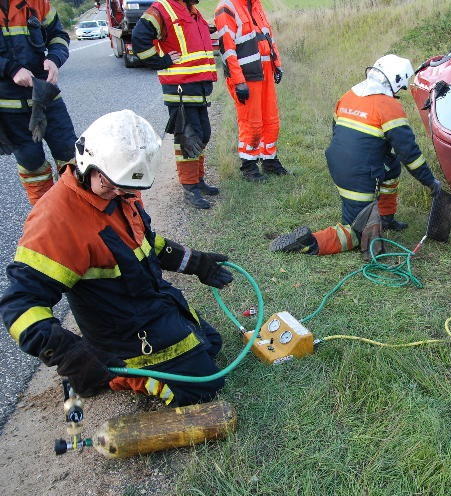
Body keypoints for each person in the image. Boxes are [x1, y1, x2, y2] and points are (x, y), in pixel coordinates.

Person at [0, 110, 233, 406]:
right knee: (205, 386)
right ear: (88, 162)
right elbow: (19, 307)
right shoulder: (56, 220)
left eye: (126, 188)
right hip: (119, 332)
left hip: (151, 303)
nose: (119, 193)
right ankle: (112, 372)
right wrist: (71, 356)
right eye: (110, 185)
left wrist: (196, 262)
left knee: (212, 345)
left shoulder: (120, 189)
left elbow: (145, 244)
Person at [269, 54, 441, 257]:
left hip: (338, 163)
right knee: (359, 232)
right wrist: (431, 182)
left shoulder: (349, 95)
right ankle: (308, 242)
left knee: (392, 165)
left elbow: (337, 130)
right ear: (396, 82)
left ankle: (385, 218)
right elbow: (410, 154)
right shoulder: (389, 106)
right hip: (357, 175)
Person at [132, 0, 219, 209]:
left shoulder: (191, 10)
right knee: (188, 137)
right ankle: (190, 188)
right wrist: (162, 61)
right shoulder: (162, 8)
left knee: (203, 134)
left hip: (198, 86)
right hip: (180, 87)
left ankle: (198, 180)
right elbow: (138, 39)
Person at [0, 0, 76, 205]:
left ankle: (80, 213)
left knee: (71, 158)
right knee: (32, 167)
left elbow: (58, 35)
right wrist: (10, 69)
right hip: (9, 107)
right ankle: (47, 217)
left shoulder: (37, 2)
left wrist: (54, 58)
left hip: (47, 97)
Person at [214, 0, 288, 181]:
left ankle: (269, 161)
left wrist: (276, 64)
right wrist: (239, 82)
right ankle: (249, 166)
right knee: (251, 122)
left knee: (271, 120)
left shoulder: (255, 5)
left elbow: (268, 36)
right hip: (246, 77)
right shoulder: (227, 8)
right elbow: (227, 50)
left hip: (266, 73)